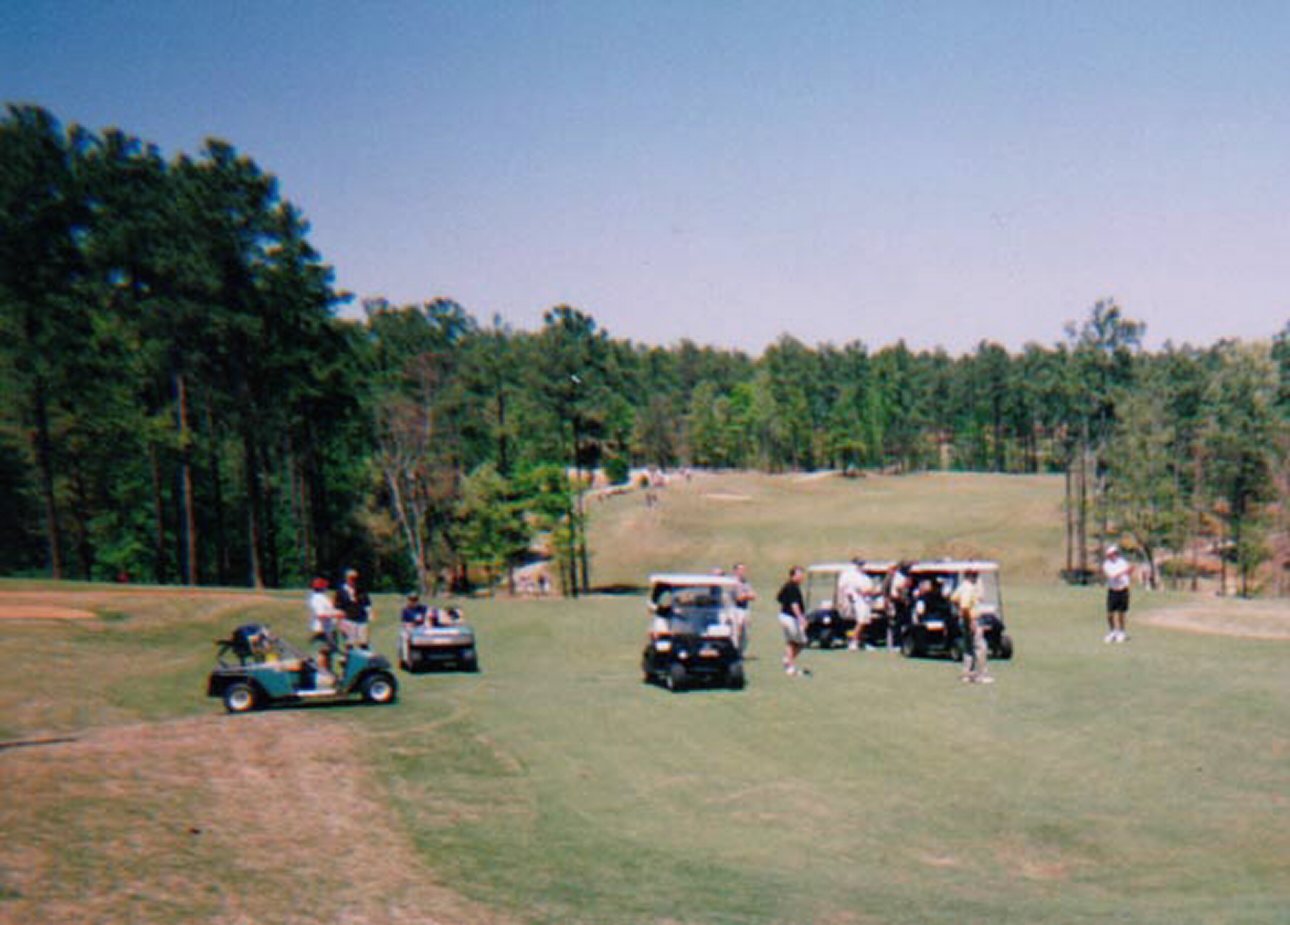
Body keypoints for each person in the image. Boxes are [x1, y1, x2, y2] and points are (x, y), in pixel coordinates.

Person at [951, 570, 992, 684]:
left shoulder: (962, 586)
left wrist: (959, 612)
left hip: (965, 620)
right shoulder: (969, 588)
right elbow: (965, 607)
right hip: (972, 620)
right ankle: (981, 675)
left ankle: (967, 674)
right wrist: (970, 621)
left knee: (968, 648)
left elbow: (953, 598)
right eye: (975, 575)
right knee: (980, 647)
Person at [776, 566, 810, 677]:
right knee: (801, 641)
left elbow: (779, 598)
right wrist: (801, 618)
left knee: (791, 641)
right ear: (793, 575)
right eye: (799, 574)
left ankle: (788, 661)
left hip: (783, 616)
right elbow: (794, 605)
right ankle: (789, 665)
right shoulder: (793, 587)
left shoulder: (787, 585)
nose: (801, 577)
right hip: (790, 618)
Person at [307, 577, 342, 677]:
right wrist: (336, 615)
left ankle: (328, 673)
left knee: (328, 652)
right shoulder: (317, 599)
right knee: (323, 652)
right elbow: (321, 614)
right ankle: (322, 674)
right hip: (322, 630)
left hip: (328, 629)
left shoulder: (322, 598)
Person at [838, 559, 875, 651]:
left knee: (864, 622)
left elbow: (870, 589)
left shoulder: (865, 577)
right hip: (859, 601)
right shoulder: (854, 577)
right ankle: (853, 642)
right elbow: (861, 590)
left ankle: (859, 642)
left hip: (866, 601)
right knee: (861, 621)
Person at [336, 568, 374, 649]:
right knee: (349, 643)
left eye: (355, 578)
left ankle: (364, 659)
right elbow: (338, 607)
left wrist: (370, 614)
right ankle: (349, 660)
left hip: (361, 619)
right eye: (351, 578)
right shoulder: (341, 591)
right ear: (346, 578)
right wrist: (339, 621)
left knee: (363, 642)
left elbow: (367, 603)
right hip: (348, 619)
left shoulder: (361, 590)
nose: (353, 580)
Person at [1103, 545, 1133, 643]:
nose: (1111, 556)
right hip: (1113, 590)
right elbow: (1112, 575)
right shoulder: (1106, 564)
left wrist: (1128, 571)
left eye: (1113, 553)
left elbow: (1128, 573)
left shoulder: (1122, 562)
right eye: (1109, 554)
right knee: (1110, 613)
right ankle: (1112, 631)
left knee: (1121, 613)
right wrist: (1124, 572)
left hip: (1123, 589)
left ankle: (1121, 632)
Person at [731, 562, 756, 653]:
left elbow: (753, 596)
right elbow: (738, 598)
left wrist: (745, 595)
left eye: (744, 570)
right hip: (736, 609)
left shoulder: (746, 582)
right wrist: (746, 595)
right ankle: (734, 650)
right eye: (740, 569)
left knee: (745, 632)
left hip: (745, 609)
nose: (742, 572)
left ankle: (740, 651)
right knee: (737, 631)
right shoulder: (732, 583)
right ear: (735, 571)